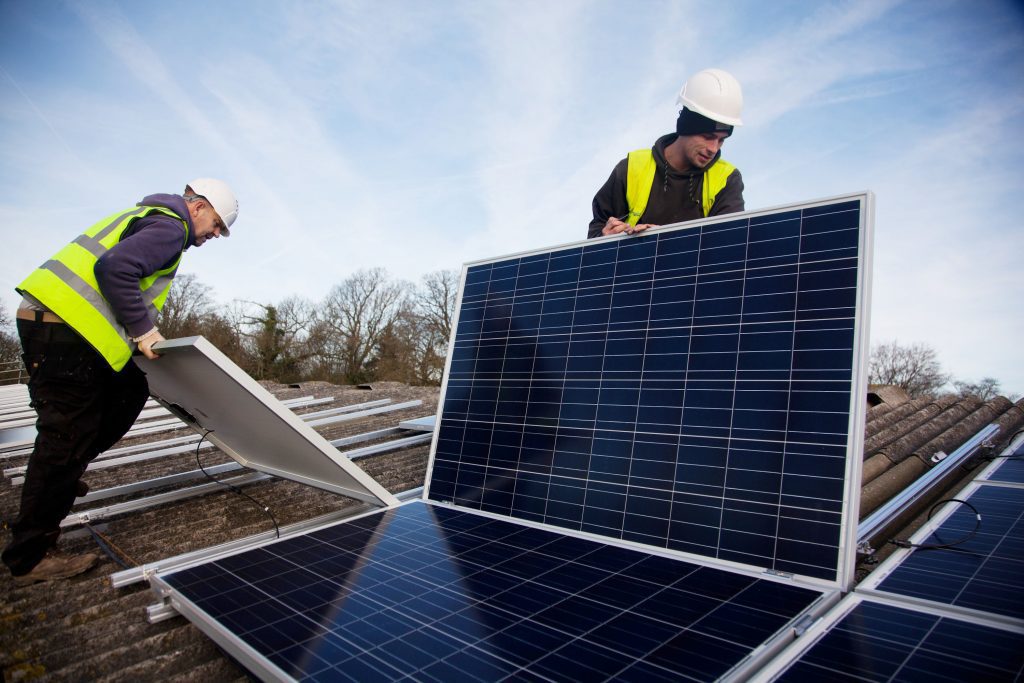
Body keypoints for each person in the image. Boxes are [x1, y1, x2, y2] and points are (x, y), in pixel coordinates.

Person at [3, 179, 239, 585]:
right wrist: (144, 331)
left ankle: (61, 477)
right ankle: (30, 556)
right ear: (198, 207)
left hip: (63, 327)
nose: (214, 235)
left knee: (128, 390)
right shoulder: (171, 227)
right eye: (216, 224)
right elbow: (114, 269)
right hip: (64, 329)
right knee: (65, 437)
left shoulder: (151, 217)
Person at [588, 68, 745, 238]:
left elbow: (728, 244)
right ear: (686, 126)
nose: (714, 149)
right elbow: (597, 230)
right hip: (633, 264)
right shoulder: (632, 167)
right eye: (708, 137)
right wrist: (605, 238)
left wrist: (665, 242)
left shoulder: (726, 179)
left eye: (721, 140)